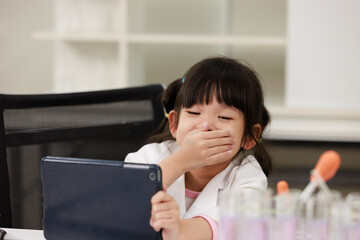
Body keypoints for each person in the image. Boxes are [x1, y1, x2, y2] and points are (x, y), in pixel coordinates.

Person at [125, 56, 272, 240]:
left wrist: (178, 229)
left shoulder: (248, 175)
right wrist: (182, 160)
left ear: (250, 137)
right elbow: (122, 199)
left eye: (224, 117)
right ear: (174, 124)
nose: (205, 126)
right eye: (194, 113)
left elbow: (230, 224)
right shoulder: (149, 156)